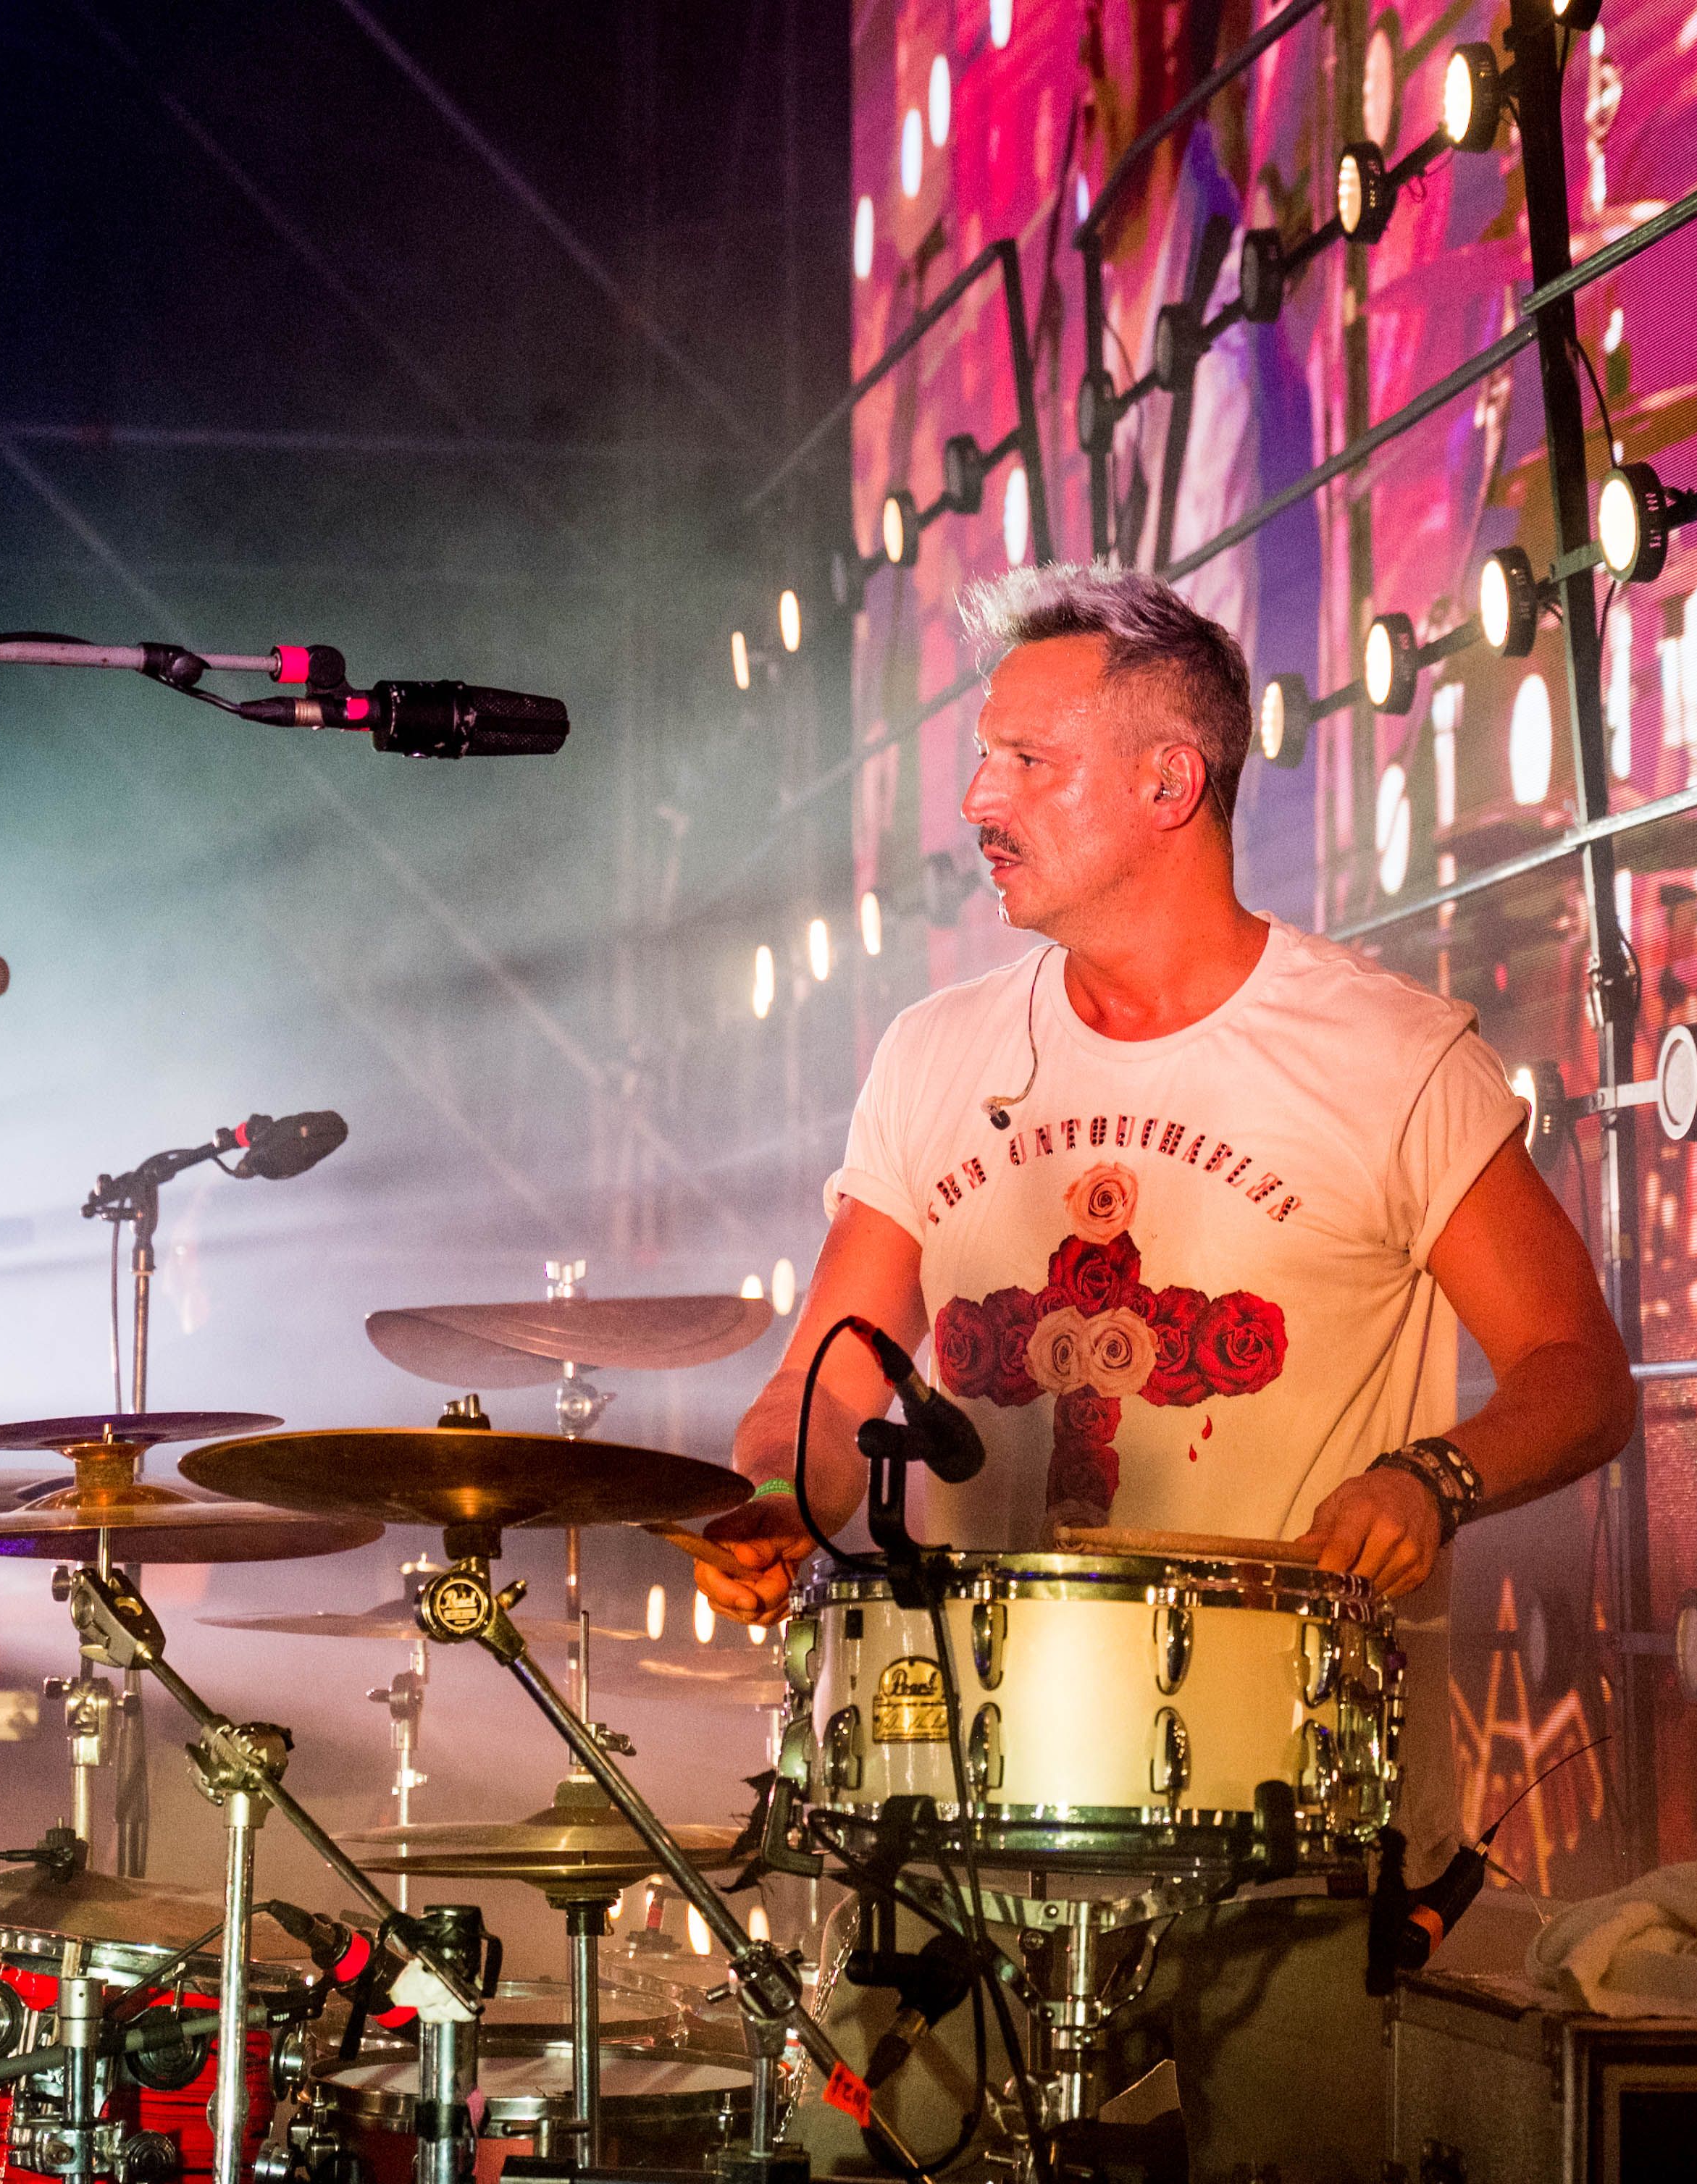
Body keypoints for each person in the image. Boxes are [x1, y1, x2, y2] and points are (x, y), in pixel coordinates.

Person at [695, 564, 1634, 2177]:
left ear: (1167, 782)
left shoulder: (1387, 1054)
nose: (978, 798)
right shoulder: (933, 1054)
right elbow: (832, 1381)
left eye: (1025, 762)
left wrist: (1436, 1472)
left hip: (1278, 1818)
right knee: (858, 2157)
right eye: (979, 757)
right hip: (958, 1779)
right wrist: (771, 1491)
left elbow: (1576, 1367)